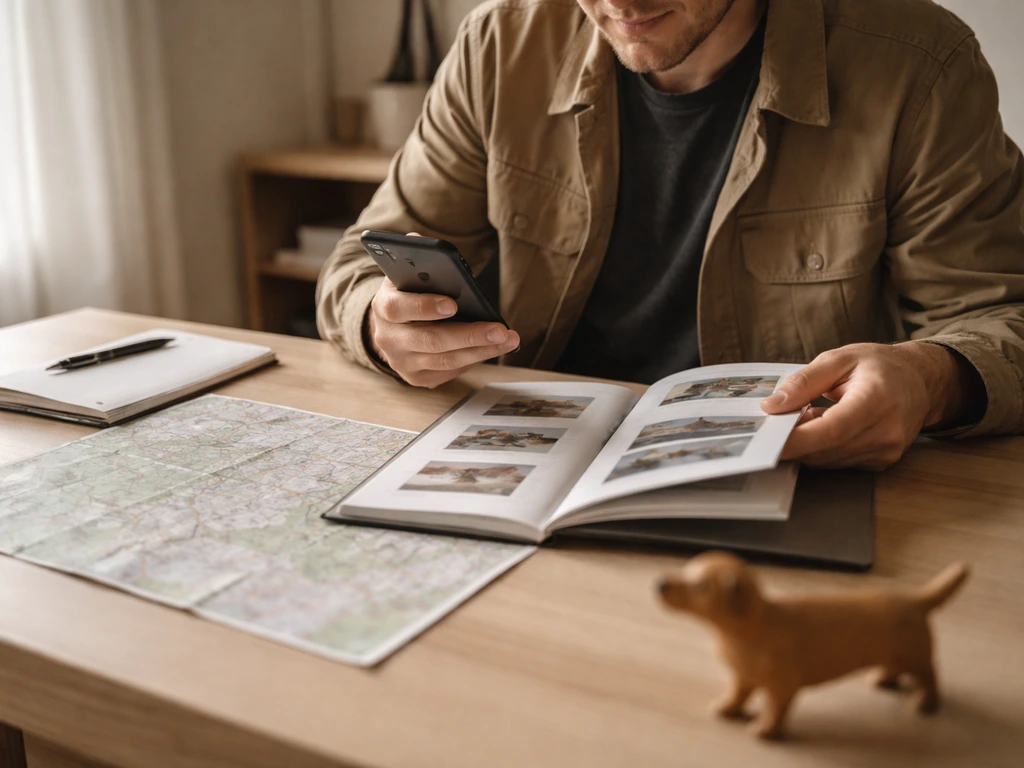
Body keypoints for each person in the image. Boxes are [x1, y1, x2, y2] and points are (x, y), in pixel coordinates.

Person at [316, 0, 1024, 471]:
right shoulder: (501, 43)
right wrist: (379, 321)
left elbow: (999, 316)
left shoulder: (917, 63)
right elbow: (359, 261)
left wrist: (930, 379)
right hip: (538, 465)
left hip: (791, 478)